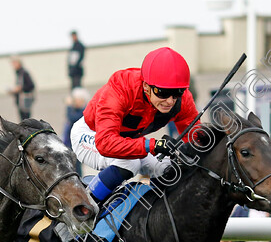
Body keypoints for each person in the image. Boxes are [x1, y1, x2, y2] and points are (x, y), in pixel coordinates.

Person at [70, 47, 199, 203]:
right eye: (162, 93)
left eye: (177, 92)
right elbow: (105, 143)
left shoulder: (182, 100)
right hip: (92, 135)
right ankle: (84, 207)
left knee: (168, 168)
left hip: (127, 142)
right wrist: (154, 145)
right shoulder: (121, 88)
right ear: (146, 87)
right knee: (129, 162)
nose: (170, 101)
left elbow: (196, 140)